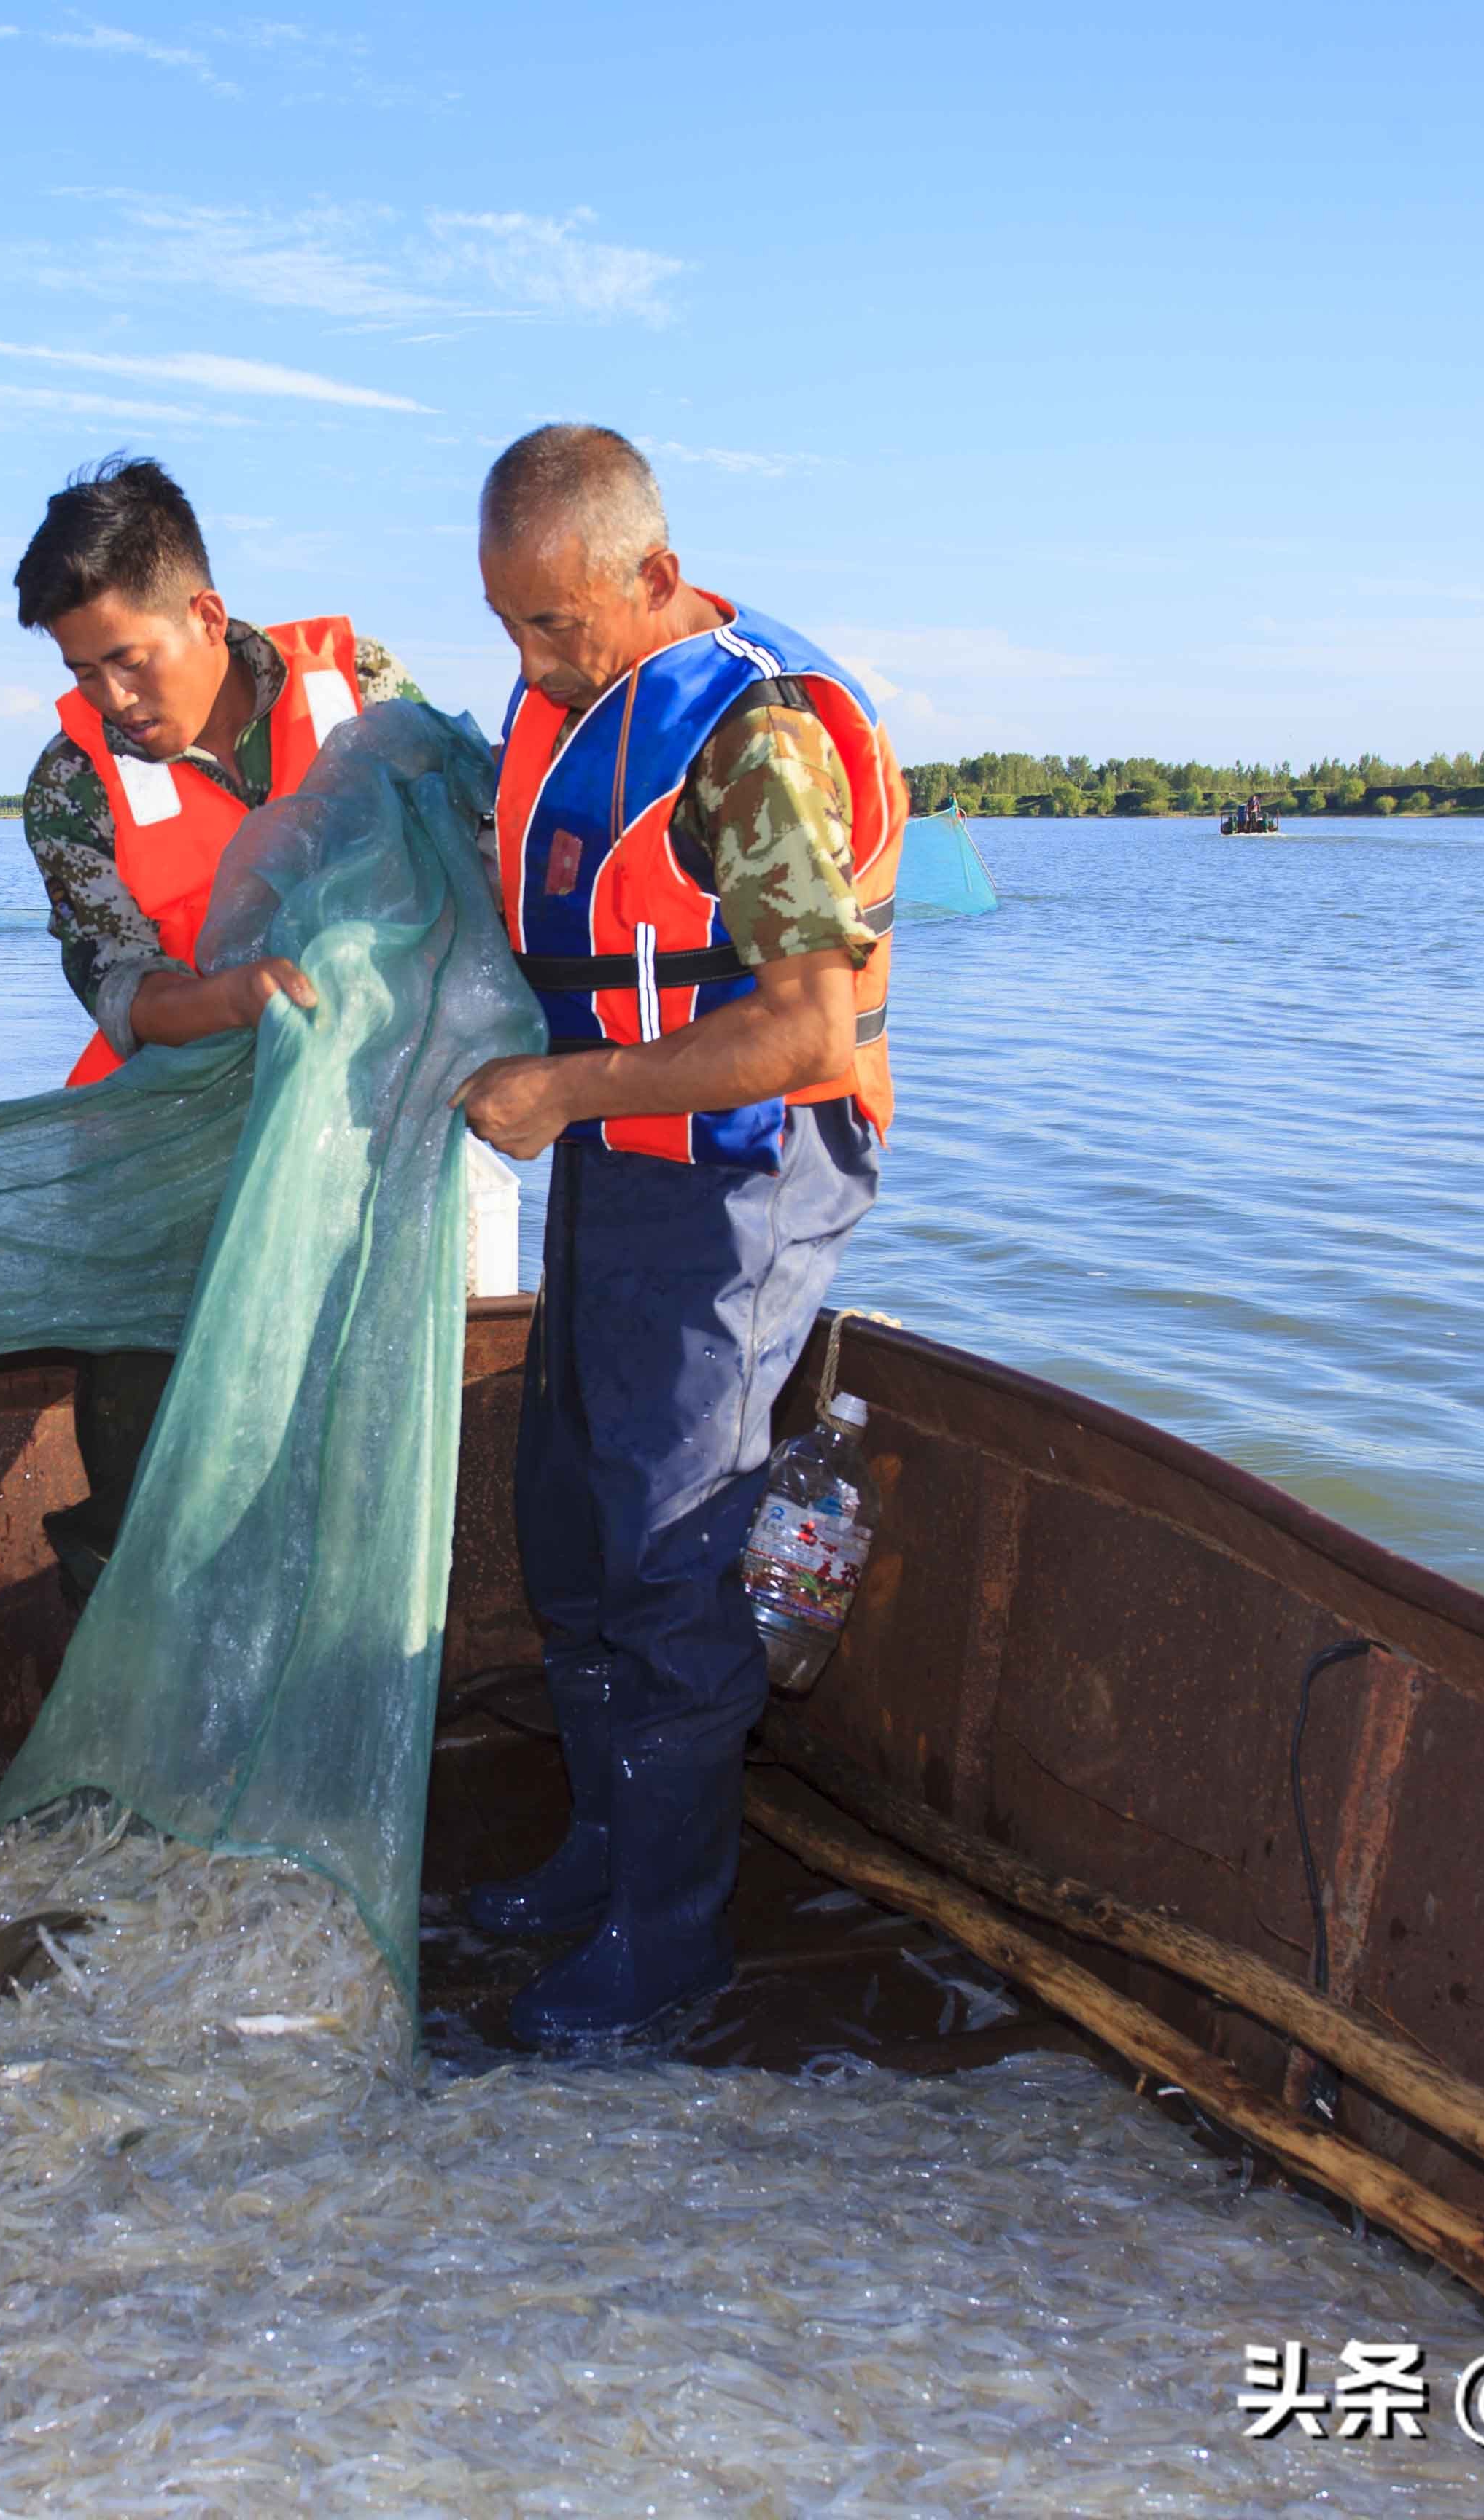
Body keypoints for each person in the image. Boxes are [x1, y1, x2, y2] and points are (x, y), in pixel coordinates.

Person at [450, 426, 904, 2048]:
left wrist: (564, 1090)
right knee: (571, 1511)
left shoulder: (750, 743)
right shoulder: (574, 695)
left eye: (555, 625)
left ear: (653, 574)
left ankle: (668, 1937)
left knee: (669, 1541)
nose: (532, 663)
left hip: (742, 1173)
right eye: (506, 624)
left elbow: (806, 1031)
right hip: (622, 1153)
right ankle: (602, 1854)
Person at [9, 454, 424, 1598]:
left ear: (205, 614)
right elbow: (125, 993)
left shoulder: (365, 693)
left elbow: (468, 865)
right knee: (144, 1468)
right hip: (152, 1162)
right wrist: (241, 1000)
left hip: (351, 1146)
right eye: (83, 672)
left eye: (129, 660)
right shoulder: (70, 786)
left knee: (341, 1463)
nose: (113, 701)